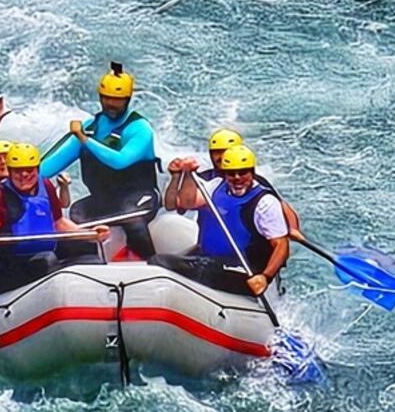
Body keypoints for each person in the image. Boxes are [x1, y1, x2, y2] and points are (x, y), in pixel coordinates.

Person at [0, 143, 109, 295]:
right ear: (10, 171)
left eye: (29, 170)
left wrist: (90, 234)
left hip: (39, 255)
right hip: (4, 269)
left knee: (88, 248)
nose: (24, 176)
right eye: (18, 171)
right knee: (46, 260)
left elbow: (59, 222)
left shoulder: (46, 185)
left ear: (37, 169)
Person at [40, 62, 160, 258]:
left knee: (131, 216)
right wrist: (21, 175)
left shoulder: (140, 128)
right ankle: (87, 263)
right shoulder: (90, 127)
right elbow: (49, 167)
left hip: (141, 195)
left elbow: (120, 161)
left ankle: (151, 263)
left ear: (127, 99)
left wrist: (85, 140)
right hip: (106, 199)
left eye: (117, 100)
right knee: (77, 213)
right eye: (106, 98)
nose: (111, 104)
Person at [149, 145, 289, 296]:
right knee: (162, 261)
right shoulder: (216, 186)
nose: (237, 178)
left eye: (242, 172)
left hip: (243, 271)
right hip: (212, 261)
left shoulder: (265, 203)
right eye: (231, 174)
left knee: (161, 262)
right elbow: (187, 203)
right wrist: (187, 174)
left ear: (252, 172)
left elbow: (282, 245)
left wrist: (265, 277)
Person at [164, 128, 300, 232]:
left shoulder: (254, 182)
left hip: (245, 246)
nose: (221, 157)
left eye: (226, 151)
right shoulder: (202, 179)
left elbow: (281, 205)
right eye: (216, 152)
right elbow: (172, 205)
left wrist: (293, 230)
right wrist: (176, 176)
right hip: (212, 244)